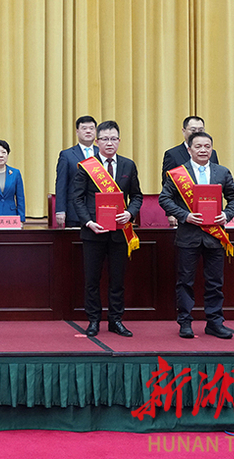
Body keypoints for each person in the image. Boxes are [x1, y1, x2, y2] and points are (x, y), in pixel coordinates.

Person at [159, 131, 234, 339]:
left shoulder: (222, 172)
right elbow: (164, 199)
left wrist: (226, 215)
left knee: (215, 282)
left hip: (215, 236)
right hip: (188, 236)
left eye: (207, 146)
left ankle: (215, 322)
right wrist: (185, 215)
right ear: (189, 150)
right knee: (185, 281)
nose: (203, 150)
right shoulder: (177, 174)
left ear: (211, 149)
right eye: (198, 146)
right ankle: (185, 322)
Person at [72, 120, 143, 338]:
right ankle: (93, 320)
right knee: (92, 280)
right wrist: (88, 222)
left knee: (117, 280)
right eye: (105, 139)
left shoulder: (128, 165)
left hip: (120, 233)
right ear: (97, 141)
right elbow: (77, 198)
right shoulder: (87, 166)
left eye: (113, 139)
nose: (109, 143)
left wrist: (130, 213)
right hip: (93, 232)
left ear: (119, 141)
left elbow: (137, 196)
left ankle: (116, 320)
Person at [54, 116, 97, 228]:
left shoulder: (102, 153)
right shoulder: (67, 155)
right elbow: (61, 184)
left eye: (91, 128)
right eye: (84, 128)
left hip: (97, 210)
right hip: (74, 211)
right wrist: (60, 210)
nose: (88, 131)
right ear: (77, 131)